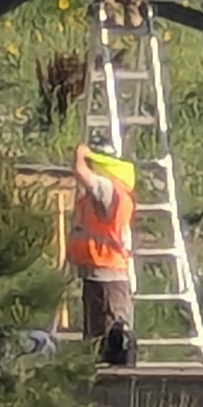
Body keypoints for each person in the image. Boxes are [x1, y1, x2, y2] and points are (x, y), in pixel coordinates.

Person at [67, 140, 138, 367]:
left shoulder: (109, 189)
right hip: (96, 273)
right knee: (96, 342)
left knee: (114, 339)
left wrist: (79, 152)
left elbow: (80, 171)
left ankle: (121, 388)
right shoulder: (101, 194)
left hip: (109, 276)